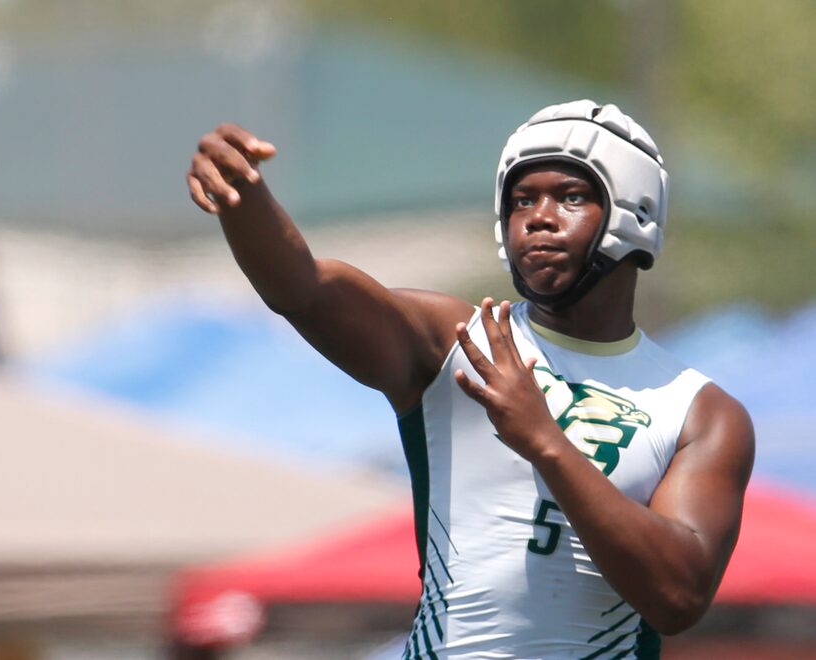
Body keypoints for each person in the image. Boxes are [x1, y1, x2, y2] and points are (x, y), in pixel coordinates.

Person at [186, 100, 754, 659]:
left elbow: (678, 596)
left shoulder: (699, 411)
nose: (538, 216)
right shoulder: (454, 340)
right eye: (521, 200)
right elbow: (302, 290)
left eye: (571, 196)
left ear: (635, 213)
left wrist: (547, 442)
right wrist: (242, 196)